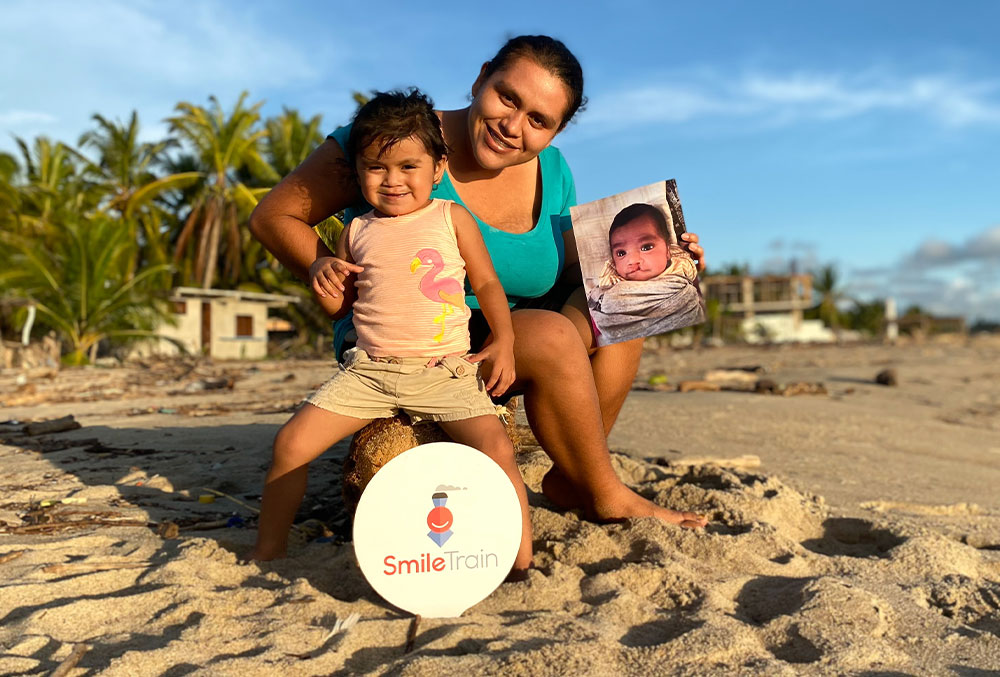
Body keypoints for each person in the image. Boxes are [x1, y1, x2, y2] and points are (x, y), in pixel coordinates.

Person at [249, 35, 708, 530]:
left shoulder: (553, 171)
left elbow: (577, 273)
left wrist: (668, 263)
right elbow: (274, 216)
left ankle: (578, 481)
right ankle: (603, 490)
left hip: (505, 346)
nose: (513, 126)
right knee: (549, 339)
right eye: (507, 97)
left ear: (556, 132)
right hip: (408, 346)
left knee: (625, 298)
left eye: (538, 120)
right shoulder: (398, 141)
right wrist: (334, 279)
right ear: (481, 77)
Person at [249, 90, 535, 574]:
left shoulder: (451, 217)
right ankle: (267, 553)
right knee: (290, 444)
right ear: (359, 172)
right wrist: (323, 271)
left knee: (496, 448)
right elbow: (341, 305)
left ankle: (520, 563)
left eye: (409, 166)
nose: (393, 180)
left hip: (442, 372)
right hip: (370, 373)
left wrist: (502, 340)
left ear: (437, 168)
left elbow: (485, 281)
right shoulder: (354, 229)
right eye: (377, 168)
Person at [587, 203, 705, 343]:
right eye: (621, 253)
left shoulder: (682, 270)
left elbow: (695, 303)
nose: (633, 260)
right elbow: (600, 317)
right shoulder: (609, 287)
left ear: (668, 251)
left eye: (646, 247)